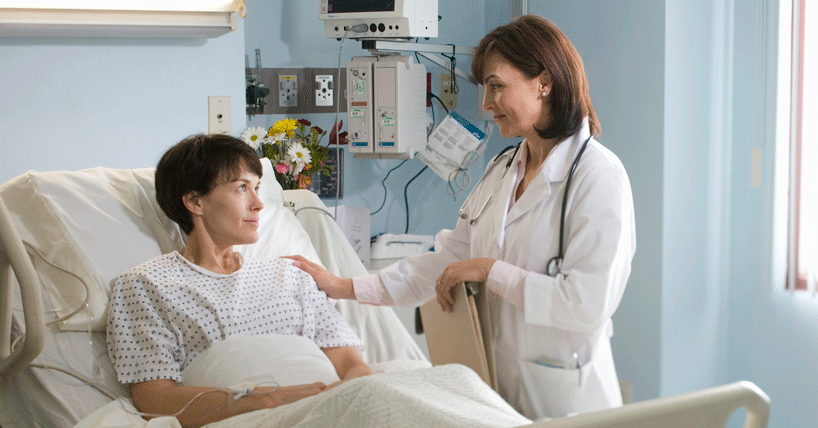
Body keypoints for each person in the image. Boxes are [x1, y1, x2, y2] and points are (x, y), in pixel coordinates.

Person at [287, 14, 635, 420]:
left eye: (496, 86)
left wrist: (491, 271)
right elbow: (445, 262)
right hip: (496, 397)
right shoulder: (503, 171)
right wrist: (343, 286)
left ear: (545, 82)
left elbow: (587, 304)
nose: (486, 105)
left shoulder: (598, 176)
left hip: (569, 401)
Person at [106, 134, 371, 428]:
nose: (258, 204)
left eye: (257, 188)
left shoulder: (290, 275)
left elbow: (353, 366)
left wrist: (337, 401)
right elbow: (155, 401)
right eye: (242, 188)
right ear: (195, 201)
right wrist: (274, 401)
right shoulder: (147, 285)